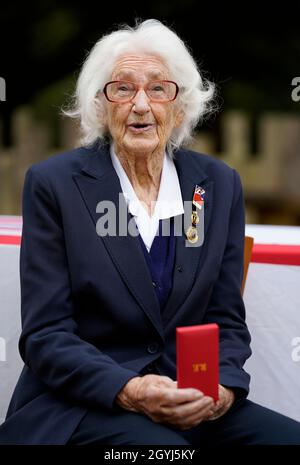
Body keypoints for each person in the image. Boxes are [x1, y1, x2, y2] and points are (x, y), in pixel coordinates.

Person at [0, 19, 299, 445]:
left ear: (180, 107)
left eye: (159, 89)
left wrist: (223, 389)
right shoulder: (56, 185)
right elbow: (47, 335)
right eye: (122, 88)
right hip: (82, 404)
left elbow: (226, 319)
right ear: (101, 105)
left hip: (189, 395)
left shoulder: (216, 184)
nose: (141, 104)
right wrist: (132, 391)